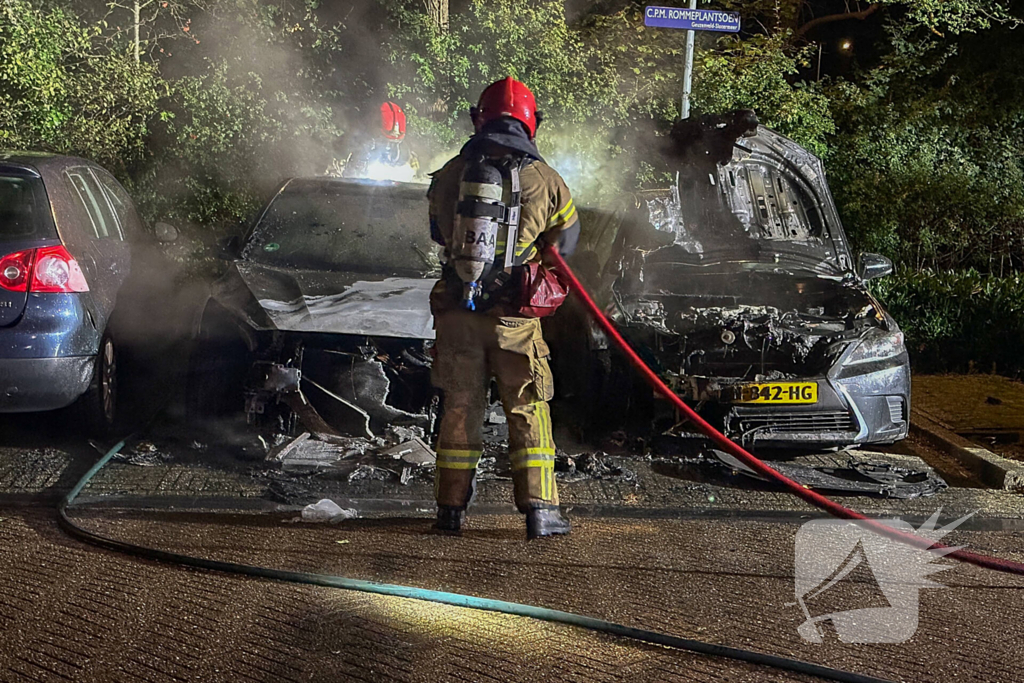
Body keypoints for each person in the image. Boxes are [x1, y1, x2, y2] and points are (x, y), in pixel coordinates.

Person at [427, 77, 580, 539]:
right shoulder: (547, 180)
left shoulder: (450, 173)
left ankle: (449, 512)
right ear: (532, 123)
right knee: (526, 407)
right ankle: (541, 513)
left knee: (460, 407)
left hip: (458, 315)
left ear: (480, 117)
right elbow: (567, 242)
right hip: (514, 319)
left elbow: (438, 233)